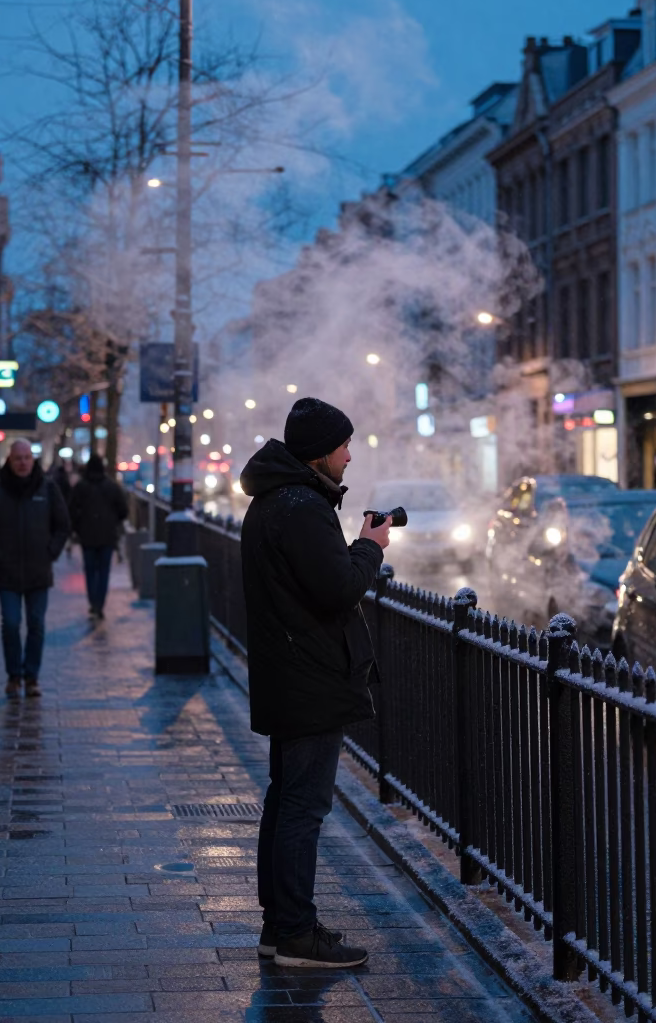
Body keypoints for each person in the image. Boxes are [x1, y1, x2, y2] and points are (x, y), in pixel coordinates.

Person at [239, 397, 390, 969]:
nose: (350, 457)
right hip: (308, 679)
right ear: (321, 453)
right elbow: (338, 588)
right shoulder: (300, 507)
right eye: (344, 446)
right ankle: (297, 934)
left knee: (287, 803)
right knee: (303, 807)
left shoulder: (279, 501)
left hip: (292, 674)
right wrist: (368, 549)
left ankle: (280, 927)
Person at [0, 439, 70, 698]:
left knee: (36, 624)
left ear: (33, 459)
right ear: (10, 460)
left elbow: (63, 525)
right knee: (11, 623)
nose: (23, 462)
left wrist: (51, 552)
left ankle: (32, 676)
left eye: (27, 457)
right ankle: (14, 675)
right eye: (18, 458)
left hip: (39, 571)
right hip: (7, 572)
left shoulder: (48, 488)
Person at [68, 453, 128, 620]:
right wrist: (112, 521)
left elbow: (72, 510)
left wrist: (77, 528)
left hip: (87, 536)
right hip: (107, 536)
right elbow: (123, 511)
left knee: (90, 570)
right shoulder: (112, 487)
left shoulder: (80, 487)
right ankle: (99, 603)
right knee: (103, 571)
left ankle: (93, 602)